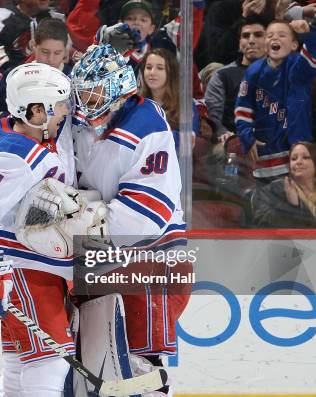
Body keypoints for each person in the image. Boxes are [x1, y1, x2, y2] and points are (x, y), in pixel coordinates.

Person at [0, 62, 77, 396]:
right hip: (25, 273)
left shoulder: (18, 131)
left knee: (20, 363)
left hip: (26, 272)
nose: (66, 111)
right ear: (36, 111)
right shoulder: (16, 155)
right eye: (59, 104)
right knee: (50, 363)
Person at [69, 44, 190, 395]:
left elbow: (148, 214)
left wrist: (82, 221)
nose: (85, 99)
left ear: (118, 86)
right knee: (96, 365)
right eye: (81, 91)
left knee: (139, 367)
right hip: (100, 257)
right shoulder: (82, 124)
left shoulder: (146, 123)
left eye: (94, 90)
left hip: (150, 260)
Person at [235, 16, 316, 179]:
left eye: (282, 35)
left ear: (294, 45)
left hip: (298, 152)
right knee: (269, 201)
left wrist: (309, 34)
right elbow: (243, 110)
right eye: (269, 36)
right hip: (266, 156)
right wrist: (247, 136)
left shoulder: (299, 67)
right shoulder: (252, 72)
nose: (275, 38)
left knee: (302, 199)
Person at [0, 17, 72, 133]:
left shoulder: (74, 78)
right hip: (22, 145)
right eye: (45, 52)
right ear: (34, 46)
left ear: (65, 51)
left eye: (57, 53)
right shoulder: (15, 77)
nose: (51, 59)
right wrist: (21, 123)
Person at [205, 16, 267, 141]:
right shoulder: (222, 75)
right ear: (239, 43)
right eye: (245, 36)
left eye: (258, 35)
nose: (251, 41)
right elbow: (213, 119)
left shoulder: (283, 73)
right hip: (234, 143)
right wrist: (230, 139)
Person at [139, 48, 200, 150]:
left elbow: (190, 138)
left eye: (160, 68)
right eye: (148, 67)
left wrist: (151, 137)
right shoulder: (135, 103)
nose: (152, 72)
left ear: (171, 72)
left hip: (172, 162)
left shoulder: (184, 104)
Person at [252, 141, 316, 227]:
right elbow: (261, 223)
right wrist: (291, 206)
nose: (298, 162)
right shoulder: (275, 189)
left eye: (305, 157)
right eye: (293, 159)